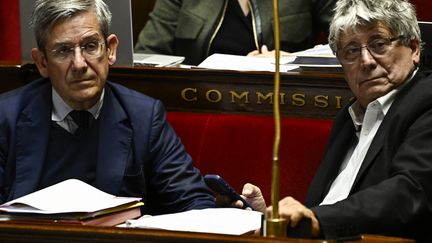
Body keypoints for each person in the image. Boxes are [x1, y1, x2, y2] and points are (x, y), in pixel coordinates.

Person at [237, 0, 432, 242]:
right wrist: (274, 221)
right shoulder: (349, 117)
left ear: (414, 49)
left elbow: (410, 193)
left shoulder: (427, 101)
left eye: (379, 44)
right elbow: (330, 202)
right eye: (351, 51)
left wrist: (318, 220)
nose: (366, 61)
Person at [0, 0, 215, 215]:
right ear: (42, 63)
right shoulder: (5, 117)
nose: (79, 64)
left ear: (110, 50)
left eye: (90, 46)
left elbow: (193, 201)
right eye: (63, 51)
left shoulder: (144, 117)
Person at [134, 0, 337, 65]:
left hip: (285, 103)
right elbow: (146, 55)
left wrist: (292, 60)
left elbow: (353, 45)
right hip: (199, 100)